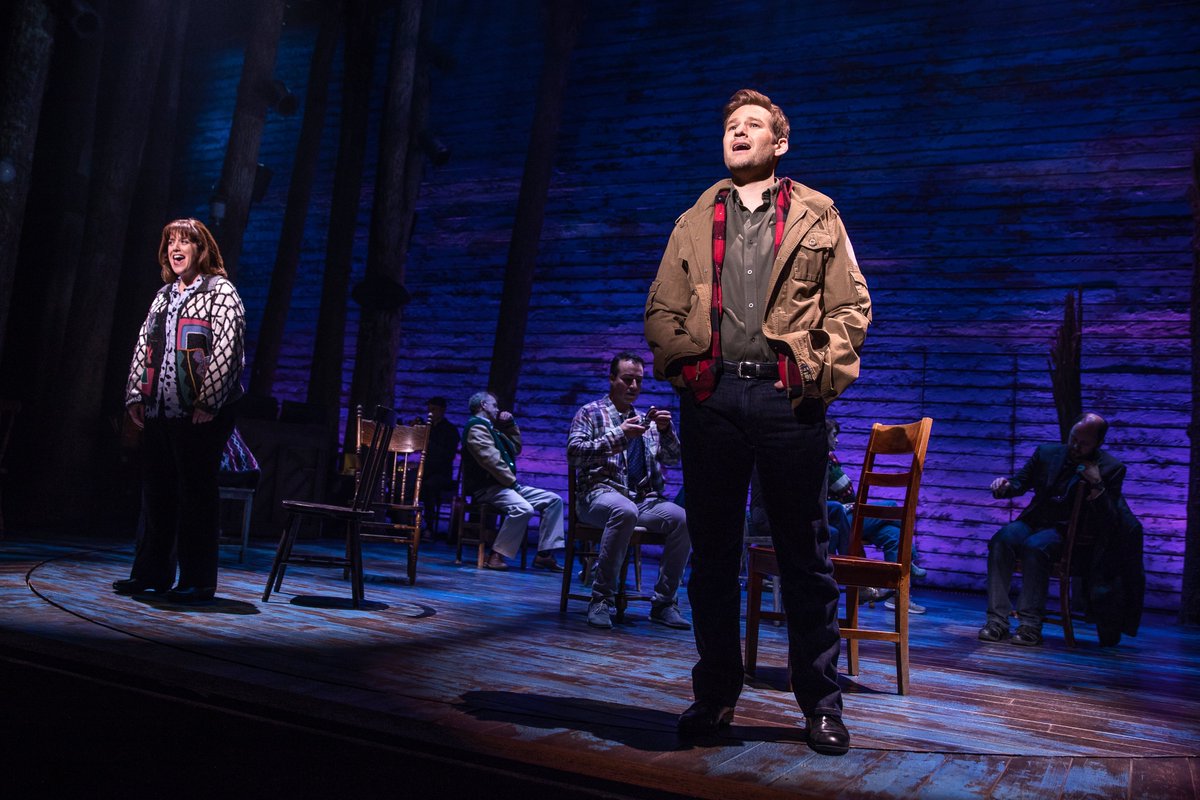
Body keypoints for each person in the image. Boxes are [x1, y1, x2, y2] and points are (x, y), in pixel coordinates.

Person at [645, 89, 871, 755]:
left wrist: (816, 377)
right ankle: (713, 699)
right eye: (731, 127)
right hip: (713, 400)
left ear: (780, 144)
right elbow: (661, 310)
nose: (739, 134)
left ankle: (822, 706)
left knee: (805, 556)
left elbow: (850, 307)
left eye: (754, 127)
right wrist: (688, 374)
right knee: (713, 557)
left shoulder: (817, 214)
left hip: (787, 400)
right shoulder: (694, 219)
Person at [113, 218, 245, 604]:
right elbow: (144, 345)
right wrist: (135, 396)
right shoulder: (164, 295)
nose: (176, 247)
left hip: (202, 413)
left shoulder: (221, 292)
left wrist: (208, 400)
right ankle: (151, 574)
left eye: (184, 241)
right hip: (159, 410)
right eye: (171, 240)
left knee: (196, 496)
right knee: (157, 495)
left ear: (200, 249)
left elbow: (228, 348)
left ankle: (198, 580)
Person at [980, 412, 1145, 647]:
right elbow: (1019, 484)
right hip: (1034, 521)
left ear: (1098, 443)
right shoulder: (1047, 453)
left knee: (1035, 548)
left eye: (1083, 443)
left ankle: (1030, 625)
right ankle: (997, 621)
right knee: (1001, 541)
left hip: (1068, 532)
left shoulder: (1111, 468)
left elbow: (1111, 518)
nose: (1076, 445)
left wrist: (1097, 484)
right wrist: (1003, 487)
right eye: (1073, 438)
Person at [566, 352, 693, 631]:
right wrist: (620, 435)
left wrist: (667, 430)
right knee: (624, 511)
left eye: (638, 380)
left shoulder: (644, 421)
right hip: (597, 494)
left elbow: (672, 459)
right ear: (612, 379)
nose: (633, 386)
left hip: (642, 500)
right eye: (627, 379)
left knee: (684, 519)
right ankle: (601, 599)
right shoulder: (590, 413)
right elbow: (574, 454)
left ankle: (663, 603)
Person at [823, 419, 927, 613]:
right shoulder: (824, 458)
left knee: (892, 535)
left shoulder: (830, 458)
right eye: (833, 436)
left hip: (846, 512)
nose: (836, 441)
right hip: (840, 517)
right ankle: (910, 558)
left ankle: (894, 594)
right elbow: (846, 488)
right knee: (890, 506)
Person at [461, 391, 565, 571]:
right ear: (483, 406)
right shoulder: (476, 427)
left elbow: (515, 448)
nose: (497, 409)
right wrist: (512, 484)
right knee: (523, 508)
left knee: (553, 500)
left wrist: (510, 425)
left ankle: (544, 554)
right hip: (488, 487)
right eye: (494, 405)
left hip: (504, 485)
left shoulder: (492, 428)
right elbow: (492, 461)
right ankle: (496, 555)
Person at [419, 396, 458, 538]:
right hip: (426, 470)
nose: (430, 413)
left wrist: (428, 441)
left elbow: (447, 456)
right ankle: (402, 521)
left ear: (442, 410)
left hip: (441, 474)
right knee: (407, 482)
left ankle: (429, 527)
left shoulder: (450, 430)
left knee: (429, 486)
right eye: (429, 410)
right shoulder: (428, 428)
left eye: (433, 410)